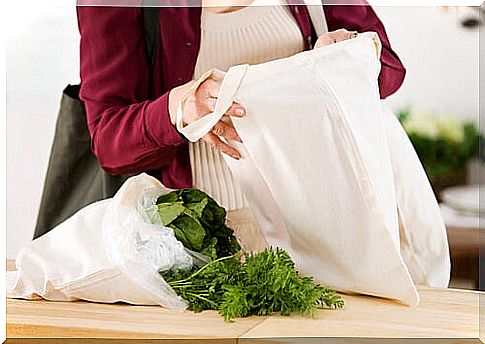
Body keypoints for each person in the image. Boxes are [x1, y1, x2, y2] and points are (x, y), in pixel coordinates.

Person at [77, 0, 405, 251]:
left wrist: (349, 57)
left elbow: (389, 68)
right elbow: (109, 142)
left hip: (326, 226)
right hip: (209, 246)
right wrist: (179, 107)